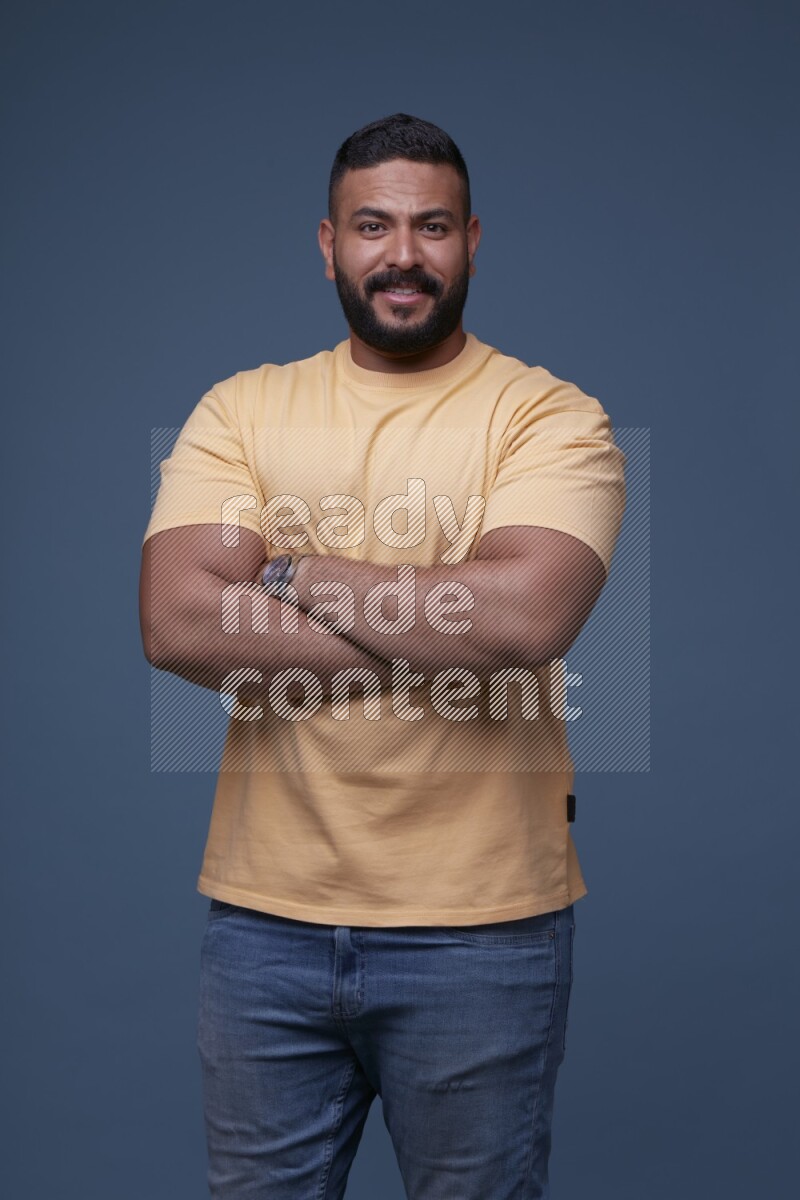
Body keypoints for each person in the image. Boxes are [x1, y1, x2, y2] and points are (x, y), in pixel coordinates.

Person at [140, 113, 626, 1199]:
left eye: (430, 226)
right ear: (328, 243)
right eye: (373, 225)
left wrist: (289, 573)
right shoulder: (243, 411)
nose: (401, 254)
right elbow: (176, 622)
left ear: (470, 240)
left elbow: (526, 624)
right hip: (263, 928)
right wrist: (443, 632)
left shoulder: (544, 418)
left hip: (482, 935)